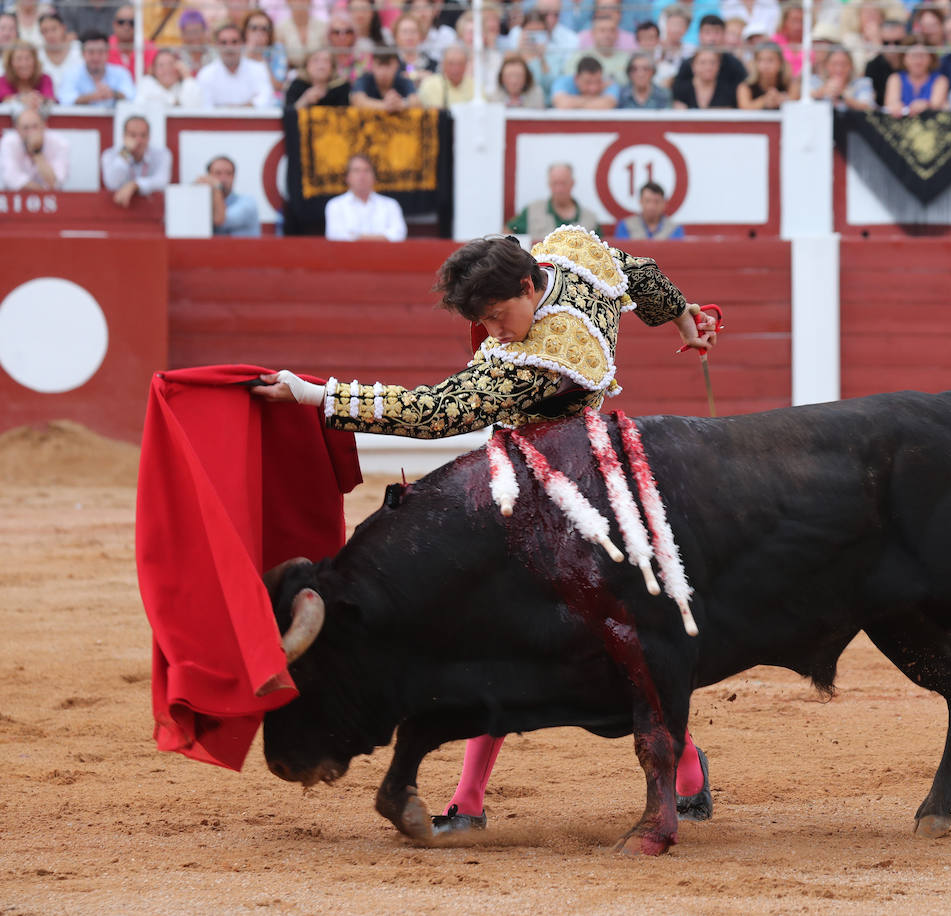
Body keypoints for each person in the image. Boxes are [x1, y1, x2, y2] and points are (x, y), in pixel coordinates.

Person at [249, 229, 719, 832]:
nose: (493, 333)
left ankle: (685, 771)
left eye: (498, 318)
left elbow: (436, 410)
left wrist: (317, 394)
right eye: (484, 321)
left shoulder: (544, 357)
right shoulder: (572, 257)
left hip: (566, 500)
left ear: (527, 286)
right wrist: (684, 319)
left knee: (608, 643)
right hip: (545, 479)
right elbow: (637, 272)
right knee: (511, 636)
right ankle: (469, 799)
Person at [506, 161, 604, 240]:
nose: (559, 189)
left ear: (572, 183)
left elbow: (601, 249)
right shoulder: (532, 211)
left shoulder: (590, 219)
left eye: (563, 183)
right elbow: (508, 231)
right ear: (549, 184)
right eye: (555, 183)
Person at [324, 154, 407, 242]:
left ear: (374, 177)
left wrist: (356, 237)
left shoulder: (390, 205)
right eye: (356, 171)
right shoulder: (335, 205)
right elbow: (335, 236)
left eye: (367, 171)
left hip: (383, 254)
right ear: (347, 178)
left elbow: (399, 234)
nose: (362, 176)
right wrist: (382, 237)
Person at [196, 24, 274, 108]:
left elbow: (265, 100)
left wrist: (238, 108)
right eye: (224, 43)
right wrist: (246, 106)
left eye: (234, 42)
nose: (229, 47)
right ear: (216, 46)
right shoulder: (206, 74)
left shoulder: (258, 70)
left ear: (243, 44)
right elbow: (204, 107)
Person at [100, 114, 169, 207]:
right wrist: (126, 152)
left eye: (143, 135)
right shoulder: (110, 154)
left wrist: (135, 185)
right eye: (133, 135)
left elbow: (162, 181)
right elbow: (112, 183)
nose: (138, 140)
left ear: (149, 137)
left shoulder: (161, 154)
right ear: (124, 137)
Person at [58, 30, 135, 107]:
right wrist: (92, 97)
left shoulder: (121, 73)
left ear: (107, 53)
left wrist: (113, 94)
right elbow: (65, 100)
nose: (96, 57)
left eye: (100, 52)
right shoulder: (71, 74)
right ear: (83, 54)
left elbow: (132, 97)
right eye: (91, 52)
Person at [1, 105, 68, 190]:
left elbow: (55, 183)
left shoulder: (59, 143)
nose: (31, 132)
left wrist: (37, 152)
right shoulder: (9, 142)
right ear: (17, 129)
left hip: (51, 201)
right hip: (17, 200)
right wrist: (41, 191)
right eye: (26, 128)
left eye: (35, 126)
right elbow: (11, 178)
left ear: (44, 126)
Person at [197, 155, 261, 237]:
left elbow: (220, 220)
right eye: (218, 173)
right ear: (208, 176)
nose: (223, 179)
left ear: (234, 177)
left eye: (229, 173)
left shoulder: (247, 203)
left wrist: (217, 187)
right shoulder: (205, 203)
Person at [884, 37, 947, 115]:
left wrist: (927, 105)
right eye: (913, 56)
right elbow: (891, 103)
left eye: (922, 56)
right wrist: (895, 106)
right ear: (904, 58)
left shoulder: (940, 80)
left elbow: (937, 104)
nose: (918, 61)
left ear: (931, 58)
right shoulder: (895, 79)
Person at [351, 47, 420, 110]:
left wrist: (402, 104)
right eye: (379, 65)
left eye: (388, 65)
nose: (383, 71)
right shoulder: (364, 79)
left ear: (397, 65)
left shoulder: (403, 79)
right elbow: (357, 100)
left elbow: (416, 101)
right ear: (372, 65)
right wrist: (386, 106)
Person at [615, 180, 684, 240]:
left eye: (656, 202)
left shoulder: (674, 229)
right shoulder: (626, 226)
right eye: (647, 201)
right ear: (641, 202)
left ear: (664, 204)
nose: (651, 206)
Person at [672, 46, 738, 109]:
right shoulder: (680, 89)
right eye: (702, 63)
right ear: (693, 66)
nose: (708, 67)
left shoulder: (729, 90)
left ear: (719, 65)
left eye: (713, 62)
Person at [285, 47, 351, 108]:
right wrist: (305, 100)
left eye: (326, 61)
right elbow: (288, 114)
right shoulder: (297, 85)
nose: (321, 65)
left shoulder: (341, 87)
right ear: (306, 65)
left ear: (332, 67)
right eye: (315, 60)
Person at [136, 47, 204, 106]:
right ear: (153, 70)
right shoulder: (146, 83)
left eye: (171, 64)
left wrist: (186, 76)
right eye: (161, 65)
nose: (167, 69)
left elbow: (194, 105)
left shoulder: (184, 86)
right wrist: (175, 102)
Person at [242, 10, 288, 96]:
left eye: (264, 29)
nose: (259, 33)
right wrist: (248, 54)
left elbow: (278, 86)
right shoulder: (236, 47)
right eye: (254, 28)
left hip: (270, 102)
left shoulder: (277, 50)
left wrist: (261, 58)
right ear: (245, 31)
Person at [738, 40, 794, 109]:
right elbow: (744, 107)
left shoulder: (790, 84)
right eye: (760, 60)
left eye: (770, 60)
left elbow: (796, 100)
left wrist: (783, 99)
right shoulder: (745, 87)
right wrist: (764, 100)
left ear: (780, 63)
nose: (765, 65)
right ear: (755, 63)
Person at [0, 41, 56, 107]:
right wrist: (22, 99)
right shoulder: (3, 81)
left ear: (35, 61)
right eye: (19, 59)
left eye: (28, 58)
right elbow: (5, 98)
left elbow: (50, 99)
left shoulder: (45, 79)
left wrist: (38, 100)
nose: (24, 64)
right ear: (10, 63)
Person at [417, 43, 474, 108]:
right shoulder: (430, 85)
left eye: (460, 64)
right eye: (451, 63)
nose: (456, 68)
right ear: (443, 64)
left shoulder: (475, 86)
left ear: (466, 64)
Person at [552, 54, 620, 108]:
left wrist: (573, 102)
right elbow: (562, 104)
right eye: (588, 82)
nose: (593, 88)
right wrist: (595, 98)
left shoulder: (609, 83)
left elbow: (607, 105)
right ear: (576, 78)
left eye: (598, 82)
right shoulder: (563, 82)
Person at [277, 0, 328, 70]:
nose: (300, 3)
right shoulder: (279, 29)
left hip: (318, 75)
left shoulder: (323, 27)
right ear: (288, 2)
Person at [107, 5, 157, 75]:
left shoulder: (149, 48)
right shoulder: (105, 46)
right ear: (114, 24)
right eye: (121, 22)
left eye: (132, 23)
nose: (126, 27)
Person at [37, 12, 83, 85]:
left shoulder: (77, 48)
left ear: (63, 28)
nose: (50, 35)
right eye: (45, 31)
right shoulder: (38, 54)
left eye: (54, 29)